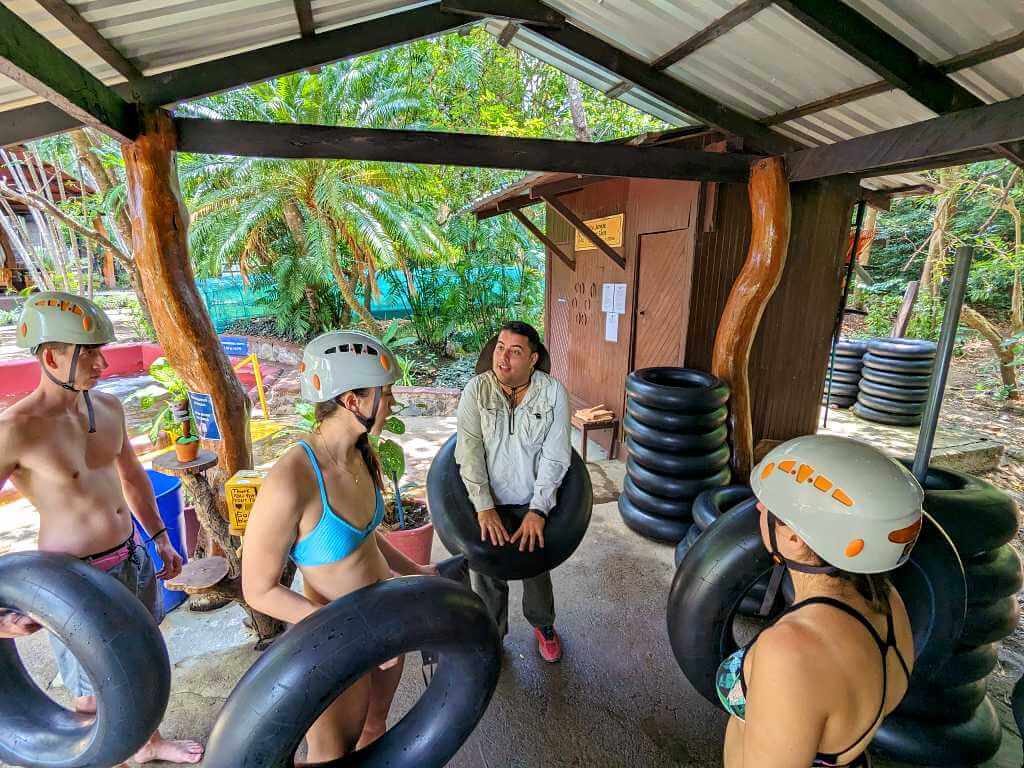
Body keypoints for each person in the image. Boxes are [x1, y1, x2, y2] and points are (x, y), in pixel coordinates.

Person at [0, 292, 204, 765]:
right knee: (93, 691)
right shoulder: (17, 429)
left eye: (99, 350)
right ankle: (105, 757)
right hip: (73, 580)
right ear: (51, 356)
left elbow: (133, 479)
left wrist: (160, 539)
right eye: (87, 352)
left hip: (131, 554)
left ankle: (148, 744)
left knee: (143, 660)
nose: (102, 362)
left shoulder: (108, 408)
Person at [242, 330, 437, 763]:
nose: (391, 404)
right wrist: (352, 634)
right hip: (333, 638)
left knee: (375, 728)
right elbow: (257, 589)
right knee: (332, 752)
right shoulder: (292, 477)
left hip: (382, 622)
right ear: (353, 401)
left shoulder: (363, 453)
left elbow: (366, 539)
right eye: (385, 395)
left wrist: (415, 572)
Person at [718, 435, 923, 768]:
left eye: (771, 507)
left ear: (796, 537)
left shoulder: (790, 651)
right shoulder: (886, 600)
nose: (758, 507)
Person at [455, 320, 571, 662]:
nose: (503, 358)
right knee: (488, 570)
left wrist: (539, 510)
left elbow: (556, 455)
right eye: (500, 348)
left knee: (536, 568)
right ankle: (494, 632)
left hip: (531, 500)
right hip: (488, 500)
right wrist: (483, 505)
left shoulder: (552, 393)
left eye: (515, 352)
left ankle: (543, 625)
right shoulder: (476, 390)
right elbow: (469, 450)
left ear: (533, 359)